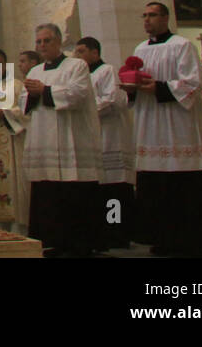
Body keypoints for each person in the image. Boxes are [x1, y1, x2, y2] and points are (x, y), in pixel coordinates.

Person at [124, 2, 202, 256]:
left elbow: (193, 84)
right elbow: (140, 82)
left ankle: (191, 241)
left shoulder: (182, 45)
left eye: (153, 15)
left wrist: (158, 88)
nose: (147, 19)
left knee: (182, 182)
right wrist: (131, 88)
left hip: (177, 125)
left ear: (166, 17)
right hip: (151, 124)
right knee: (154, 180)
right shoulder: (140, 49)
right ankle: (161, 237)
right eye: (144, 15)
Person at [22, 23, 103, 256]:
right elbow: (22, 102)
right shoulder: (34, 71)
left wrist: (44, 91)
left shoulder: (76, 65)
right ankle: (50, 240)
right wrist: (32, 93)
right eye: (38, 42)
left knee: (73, 193)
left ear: (58, 42)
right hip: (44, 141)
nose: (42, 45)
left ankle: (78, 244)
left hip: (71, 141)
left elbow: (77, 94)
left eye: (47, 40)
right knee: (48, 194)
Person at [73, 35, 135, 248]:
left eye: (81, 51)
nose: (77, 55)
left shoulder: (106, 71)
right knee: (100, 190)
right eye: (76, 51)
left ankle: (117, 233)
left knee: (114, 191)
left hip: (111, 137)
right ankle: (102, 233)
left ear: (95, 53)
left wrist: (84, 110)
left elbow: (111, 100)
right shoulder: (83, 75)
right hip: (93, 139)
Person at [0, 48, 29, 234]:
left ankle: (16, 230)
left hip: (12, 142)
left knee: (13, 184)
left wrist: (6, 113)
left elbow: (26, 111)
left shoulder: (17, 86)